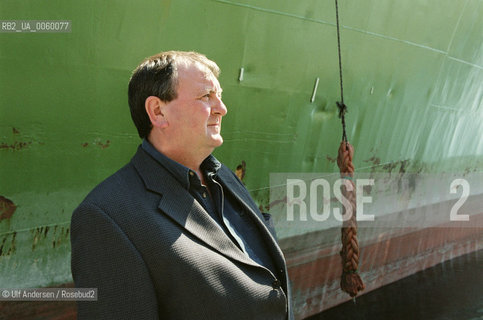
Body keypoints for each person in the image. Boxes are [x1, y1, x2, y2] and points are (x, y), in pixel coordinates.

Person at [70, 51, 293, 319]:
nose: (222, 108)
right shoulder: (108, 216)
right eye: (206, 96)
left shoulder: (223, 177)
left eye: (219, 96)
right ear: (158, 111)